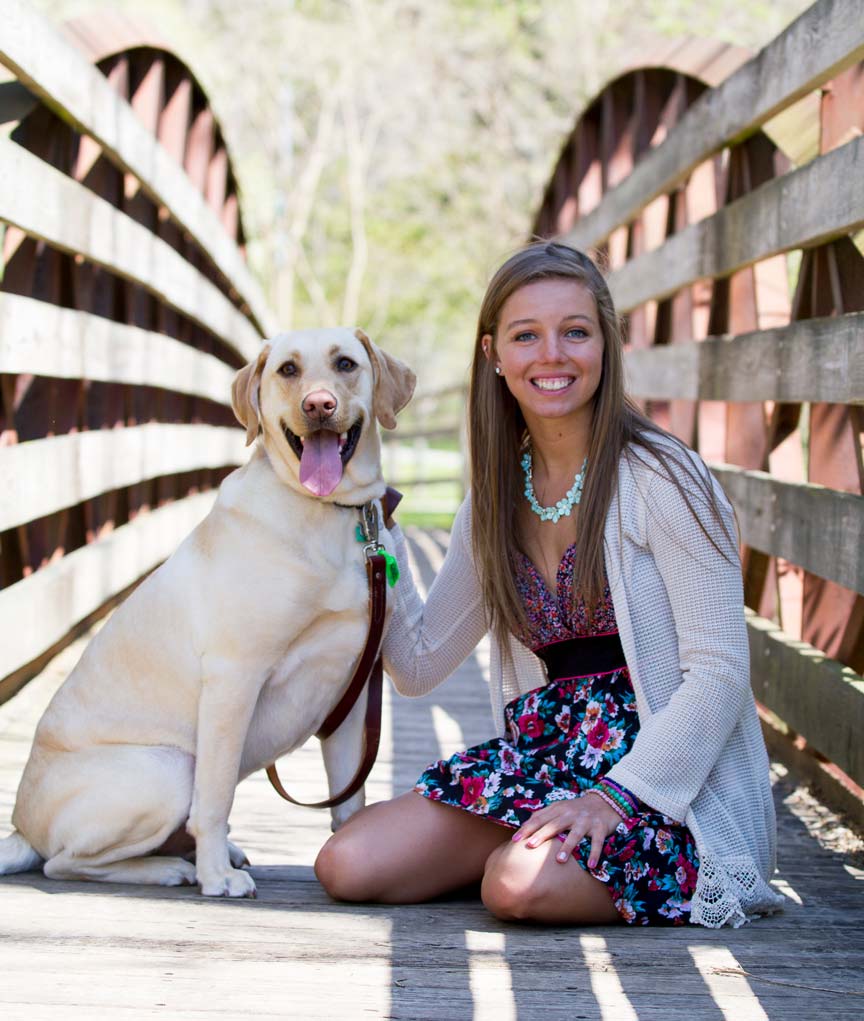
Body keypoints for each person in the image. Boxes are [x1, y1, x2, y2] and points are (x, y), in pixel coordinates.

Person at [314, 241, 783, 928]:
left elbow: (718, 671)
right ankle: (544, 853)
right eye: (526, 335)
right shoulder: (497, 496)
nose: (552, 355)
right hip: (547, 756)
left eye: (575, 331)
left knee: (515, 884)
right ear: (493, 354)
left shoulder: (665, 479)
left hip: (668, 780)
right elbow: (417, 663)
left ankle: (559, 860)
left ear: (605, 344)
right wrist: (372, 537)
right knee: (348, 863)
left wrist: (615, 797)